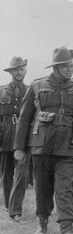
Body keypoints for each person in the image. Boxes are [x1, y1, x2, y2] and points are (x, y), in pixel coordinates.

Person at [14, 47, 73, 234]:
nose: (69, 69)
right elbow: (24, 118)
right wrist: (20, 148)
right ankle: (42, 221)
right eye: (65, 66)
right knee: (42, 188)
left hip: (69, 148)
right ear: (55, 67)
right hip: (42, 147)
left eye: (71, 65)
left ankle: (67, 229)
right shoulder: (37, 86)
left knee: (64, 188)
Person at [0, 56, 30, 222]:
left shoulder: (30, 90)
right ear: (10, 72)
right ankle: (7, 205)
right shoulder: (1, 91)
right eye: (16, 69)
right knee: (7, 173)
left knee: (22, 173)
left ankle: (15, 210)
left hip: (23, 138)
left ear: (25, 70)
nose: (19, 72)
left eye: (21, 69)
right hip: (6, 136)